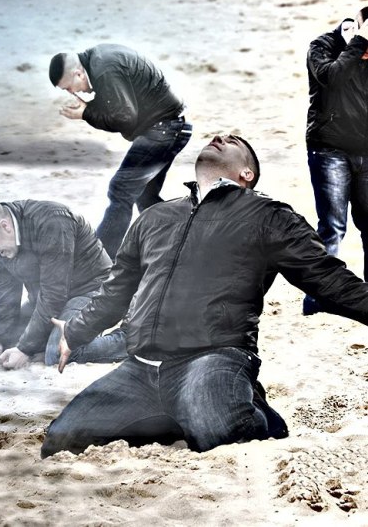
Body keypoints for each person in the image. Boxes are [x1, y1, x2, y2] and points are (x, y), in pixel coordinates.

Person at [41, 135, 368, 458]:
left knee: (222, 436)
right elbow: (115, 291)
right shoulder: (154, 218)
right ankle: (178, 414)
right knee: (59, 441)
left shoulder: (268, 216)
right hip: (140, 368)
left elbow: (328, 278)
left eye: (234, 142)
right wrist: (75, 332)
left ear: (247, 174)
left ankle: (247, 404)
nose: (220, 137)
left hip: (212, 357)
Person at [49, 44, 193, 259]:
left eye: (69, 87)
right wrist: (89, 110)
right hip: (170, 127)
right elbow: (119, 107)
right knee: (144, 196)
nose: (72, 92)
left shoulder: (103, 69)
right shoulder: (99, 61)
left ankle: (97, 261)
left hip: (165, 130)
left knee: (120, 190)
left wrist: (86, 114)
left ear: (78, 73)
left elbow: (125, 118)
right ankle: (187, 245)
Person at [0, 200, 127, 370]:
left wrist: (24, 349)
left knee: (58, 353)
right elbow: (6, 292)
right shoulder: (2, 242)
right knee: (10, 342)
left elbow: (54, 295)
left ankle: (130, 339)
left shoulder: (53, 222)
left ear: (5, 226)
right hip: (54, 301)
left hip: (96, 293)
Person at [302, 7, 368, 316]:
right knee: (332, 227)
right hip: (330, 150)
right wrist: (357, 45)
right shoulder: (323, 45)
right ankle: (319, 297)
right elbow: (333, 78)